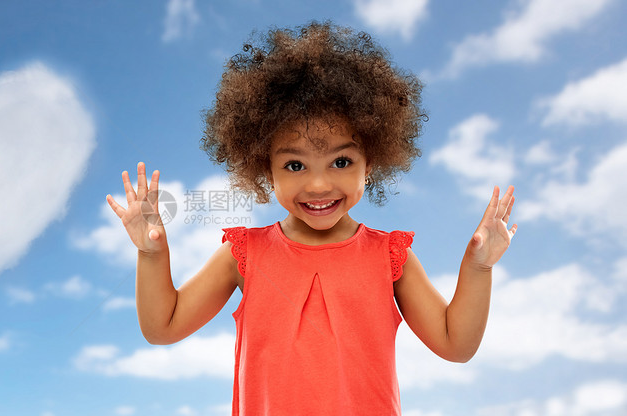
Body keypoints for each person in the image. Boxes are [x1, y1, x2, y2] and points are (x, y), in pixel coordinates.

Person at [105, 21, 517, 415]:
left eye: (340, 161)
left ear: (369, 163)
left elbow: (455, 344)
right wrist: (151, 253)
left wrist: (478, 267)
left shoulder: (390, 257)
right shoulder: (244, 254)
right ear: (265, 170)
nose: (319, 185)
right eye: (295, 166)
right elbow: (163, 327)